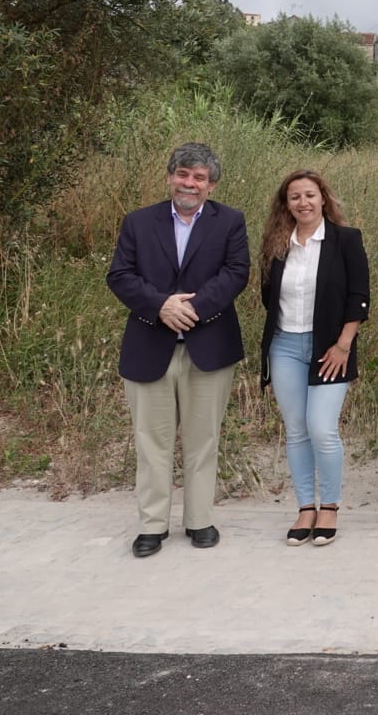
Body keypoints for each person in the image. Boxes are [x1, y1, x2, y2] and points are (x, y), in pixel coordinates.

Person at [106, 143, 249, 558]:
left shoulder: (230, 222)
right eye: (183, 174)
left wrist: (191, 309)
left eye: (199, 177)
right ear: (170, 176)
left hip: (209, 348)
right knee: (152, 442)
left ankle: (199, 520)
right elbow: (120, 275)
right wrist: (161, 306)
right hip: (150, 344)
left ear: (212, 184)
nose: (190, 183)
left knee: (203, 439)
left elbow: (236, 273)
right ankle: (152, 525)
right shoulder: (138, 222)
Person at [256, 170, 371, 547]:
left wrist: (343, 345)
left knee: (322, 428)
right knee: (297, 430)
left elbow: (358, 296)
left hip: (330, 349)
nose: (303, 203)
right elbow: (268, 296)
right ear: (285, 204)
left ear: (323, 198)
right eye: (294, 197)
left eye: (309, 195)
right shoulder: (276, 244)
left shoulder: (346, 240)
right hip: (285, 346)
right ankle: (305, 506)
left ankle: (330, 507)